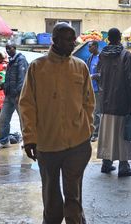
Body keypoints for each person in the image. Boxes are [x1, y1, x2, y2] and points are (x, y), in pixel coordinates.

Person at [19, 23, 95, 224]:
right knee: (51, 198)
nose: (73, 43)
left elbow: (89, 102)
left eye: (73, 39)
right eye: (68, 39)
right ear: (54, 40)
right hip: (48, 144)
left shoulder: (80, 67)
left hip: (78, 145)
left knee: (73, 196)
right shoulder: (37, 67)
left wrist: (87, 129)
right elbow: (27, 105)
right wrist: (29, 138)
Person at [96, 27, 131, 177]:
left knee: (107, 132)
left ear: (108, 39)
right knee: (122, 134)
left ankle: (106, 163)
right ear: (120, 38)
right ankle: (123, 166)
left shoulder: (102, 55)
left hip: (106, 101)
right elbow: (129, 80)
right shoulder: (126, 55)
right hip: (121, 101)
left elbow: (100, 76)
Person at [0, 42, 29, 148]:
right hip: (9, 95)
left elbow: (22, 79)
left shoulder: (21, 60)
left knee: (23, 120)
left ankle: (27, 141)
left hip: (18, 96)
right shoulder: (11, 61)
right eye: (6, 49)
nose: (8, 50)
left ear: (15, 48)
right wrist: (3, 85)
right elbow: (10, 79)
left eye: (9, 48)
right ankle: (4, 141)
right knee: (3, 119)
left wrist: (20, 94)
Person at [86, 40, 101, 142]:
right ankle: (91, 131)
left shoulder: (101, 58)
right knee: (90, 111)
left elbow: (104, 73)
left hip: (98, 89)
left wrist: (94, 76)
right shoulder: (90, 58)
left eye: (90, 46)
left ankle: (96, 133)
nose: (89, 48)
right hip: (90, 88)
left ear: (95, 46)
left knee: (97, 112)